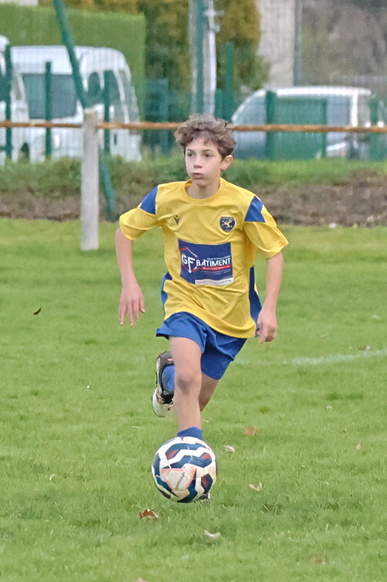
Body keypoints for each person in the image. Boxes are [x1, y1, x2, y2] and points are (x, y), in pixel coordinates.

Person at [116, 114, 287, 448]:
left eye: (207, 155)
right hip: (185, 304)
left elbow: (275, 254)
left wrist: (268, 309)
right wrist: (129, 283)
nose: (197, 163)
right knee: (188, 378)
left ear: (225, 162)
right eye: (190, 154)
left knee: (196, 396)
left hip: (232, 318)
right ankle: (190, 460)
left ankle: (167, 377)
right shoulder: (165, 198)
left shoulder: (244, 205)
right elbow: (125, 232)